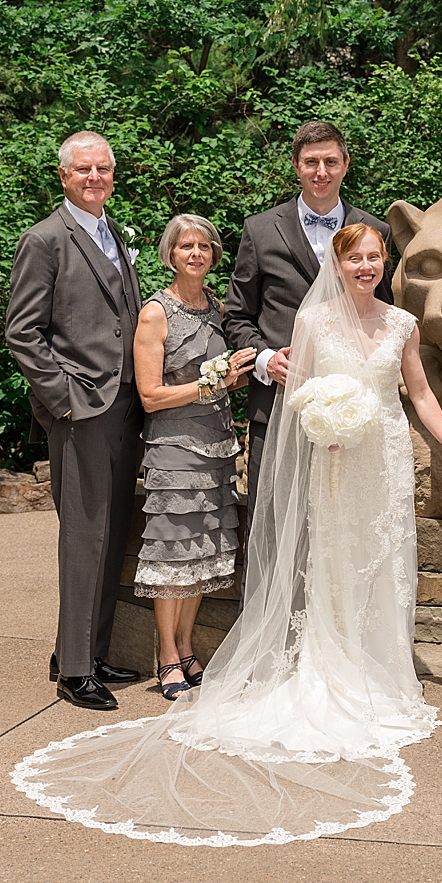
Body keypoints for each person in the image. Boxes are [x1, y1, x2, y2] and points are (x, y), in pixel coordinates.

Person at [13, 223, 442, 846]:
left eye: (374, 258)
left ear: (385, 263)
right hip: (337, 462)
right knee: (334, 565)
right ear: (338, 265)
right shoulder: (311, 325)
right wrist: (322, 426)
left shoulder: (402, 324)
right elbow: (299, 393)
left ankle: (379, 676)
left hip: (386, 461)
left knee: (384, 565)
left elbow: (418, 390)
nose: (365, 266)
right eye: (355, 258)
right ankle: (328, 674)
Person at [6, 130, 145, 712]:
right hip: (81, 409)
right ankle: (76, 673)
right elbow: (22, 331)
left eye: (103, 169)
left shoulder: (114, 232)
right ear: (64, 176)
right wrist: (62, 398)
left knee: (112, 536)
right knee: (84, 538)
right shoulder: (45, 240)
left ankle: (83, 651)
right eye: (83, 170)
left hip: (127, 407)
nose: (94, 178)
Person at [223, 121, 393, 517]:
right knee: (273, 522)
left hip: (353, 410)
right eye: (311, 162)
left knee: (343, 523)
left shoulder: (374, 231)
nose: (322, 172)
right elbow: (237, 315)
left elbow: (384, 317)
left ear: (346, 165)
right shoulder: (260, 230)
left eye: (331, 162)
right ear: (296, 165)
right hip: (278, 402)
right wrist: (264, 360)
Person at [132, 215, 257, 700]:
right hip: (174, 450)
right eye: (186, 246)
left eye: (204, 246)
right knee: (172, 551)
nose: (196, 253)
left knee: (203, 552)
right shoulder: (155, 313)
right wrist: (212, 383)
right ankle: (165, 655)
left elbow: (230, 380)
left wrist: (249, 369)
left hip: (218, 448)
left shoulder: (218, 310)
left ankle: (186, 647)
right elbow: (150, 395)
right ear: (171, 253)